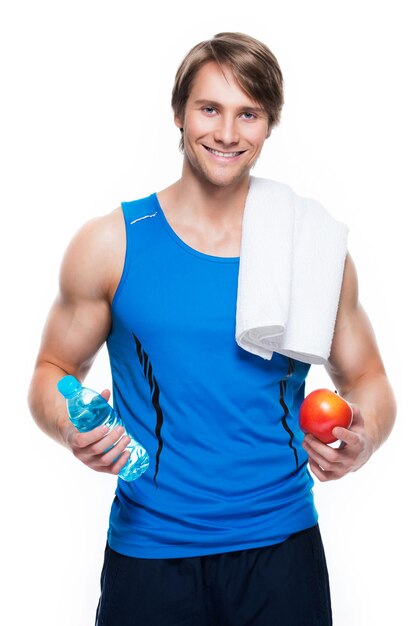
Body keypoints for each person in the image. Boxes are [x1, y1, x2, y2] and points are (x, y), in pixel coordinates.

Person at [28, 32, 396, 626]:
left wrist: (365, 436)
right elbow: (52, 373)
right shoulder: (111, 245)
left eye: (247, 113)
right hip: (151, 554)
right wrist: (69, 426)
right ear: (178, 113)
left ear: (269, 124)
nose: (227, 133)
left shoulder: (311, 248)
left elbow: (369, 379)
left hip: (282, 550)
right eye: (209, 109)